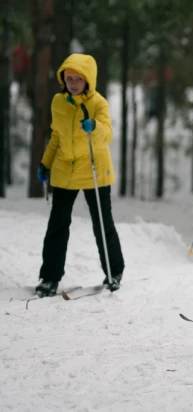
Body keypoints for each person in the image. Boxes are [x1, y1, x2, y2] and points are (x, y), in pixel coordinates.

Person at [35, 53, 125, 297]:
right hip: (65, 169)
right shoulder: (57, 102)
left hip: (94, 169)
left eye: (79, 78)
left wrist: (94, 127)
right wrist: (46, 163)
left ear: (89, 80)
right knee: (57, 225)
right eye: (69, 77)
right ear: (63, 78)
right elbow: (56, 136)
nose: (73, 83)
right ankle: (49, 277)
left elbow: (107, 134)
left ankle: (114, 271)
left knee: (102, 224)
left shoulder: (99, 103)